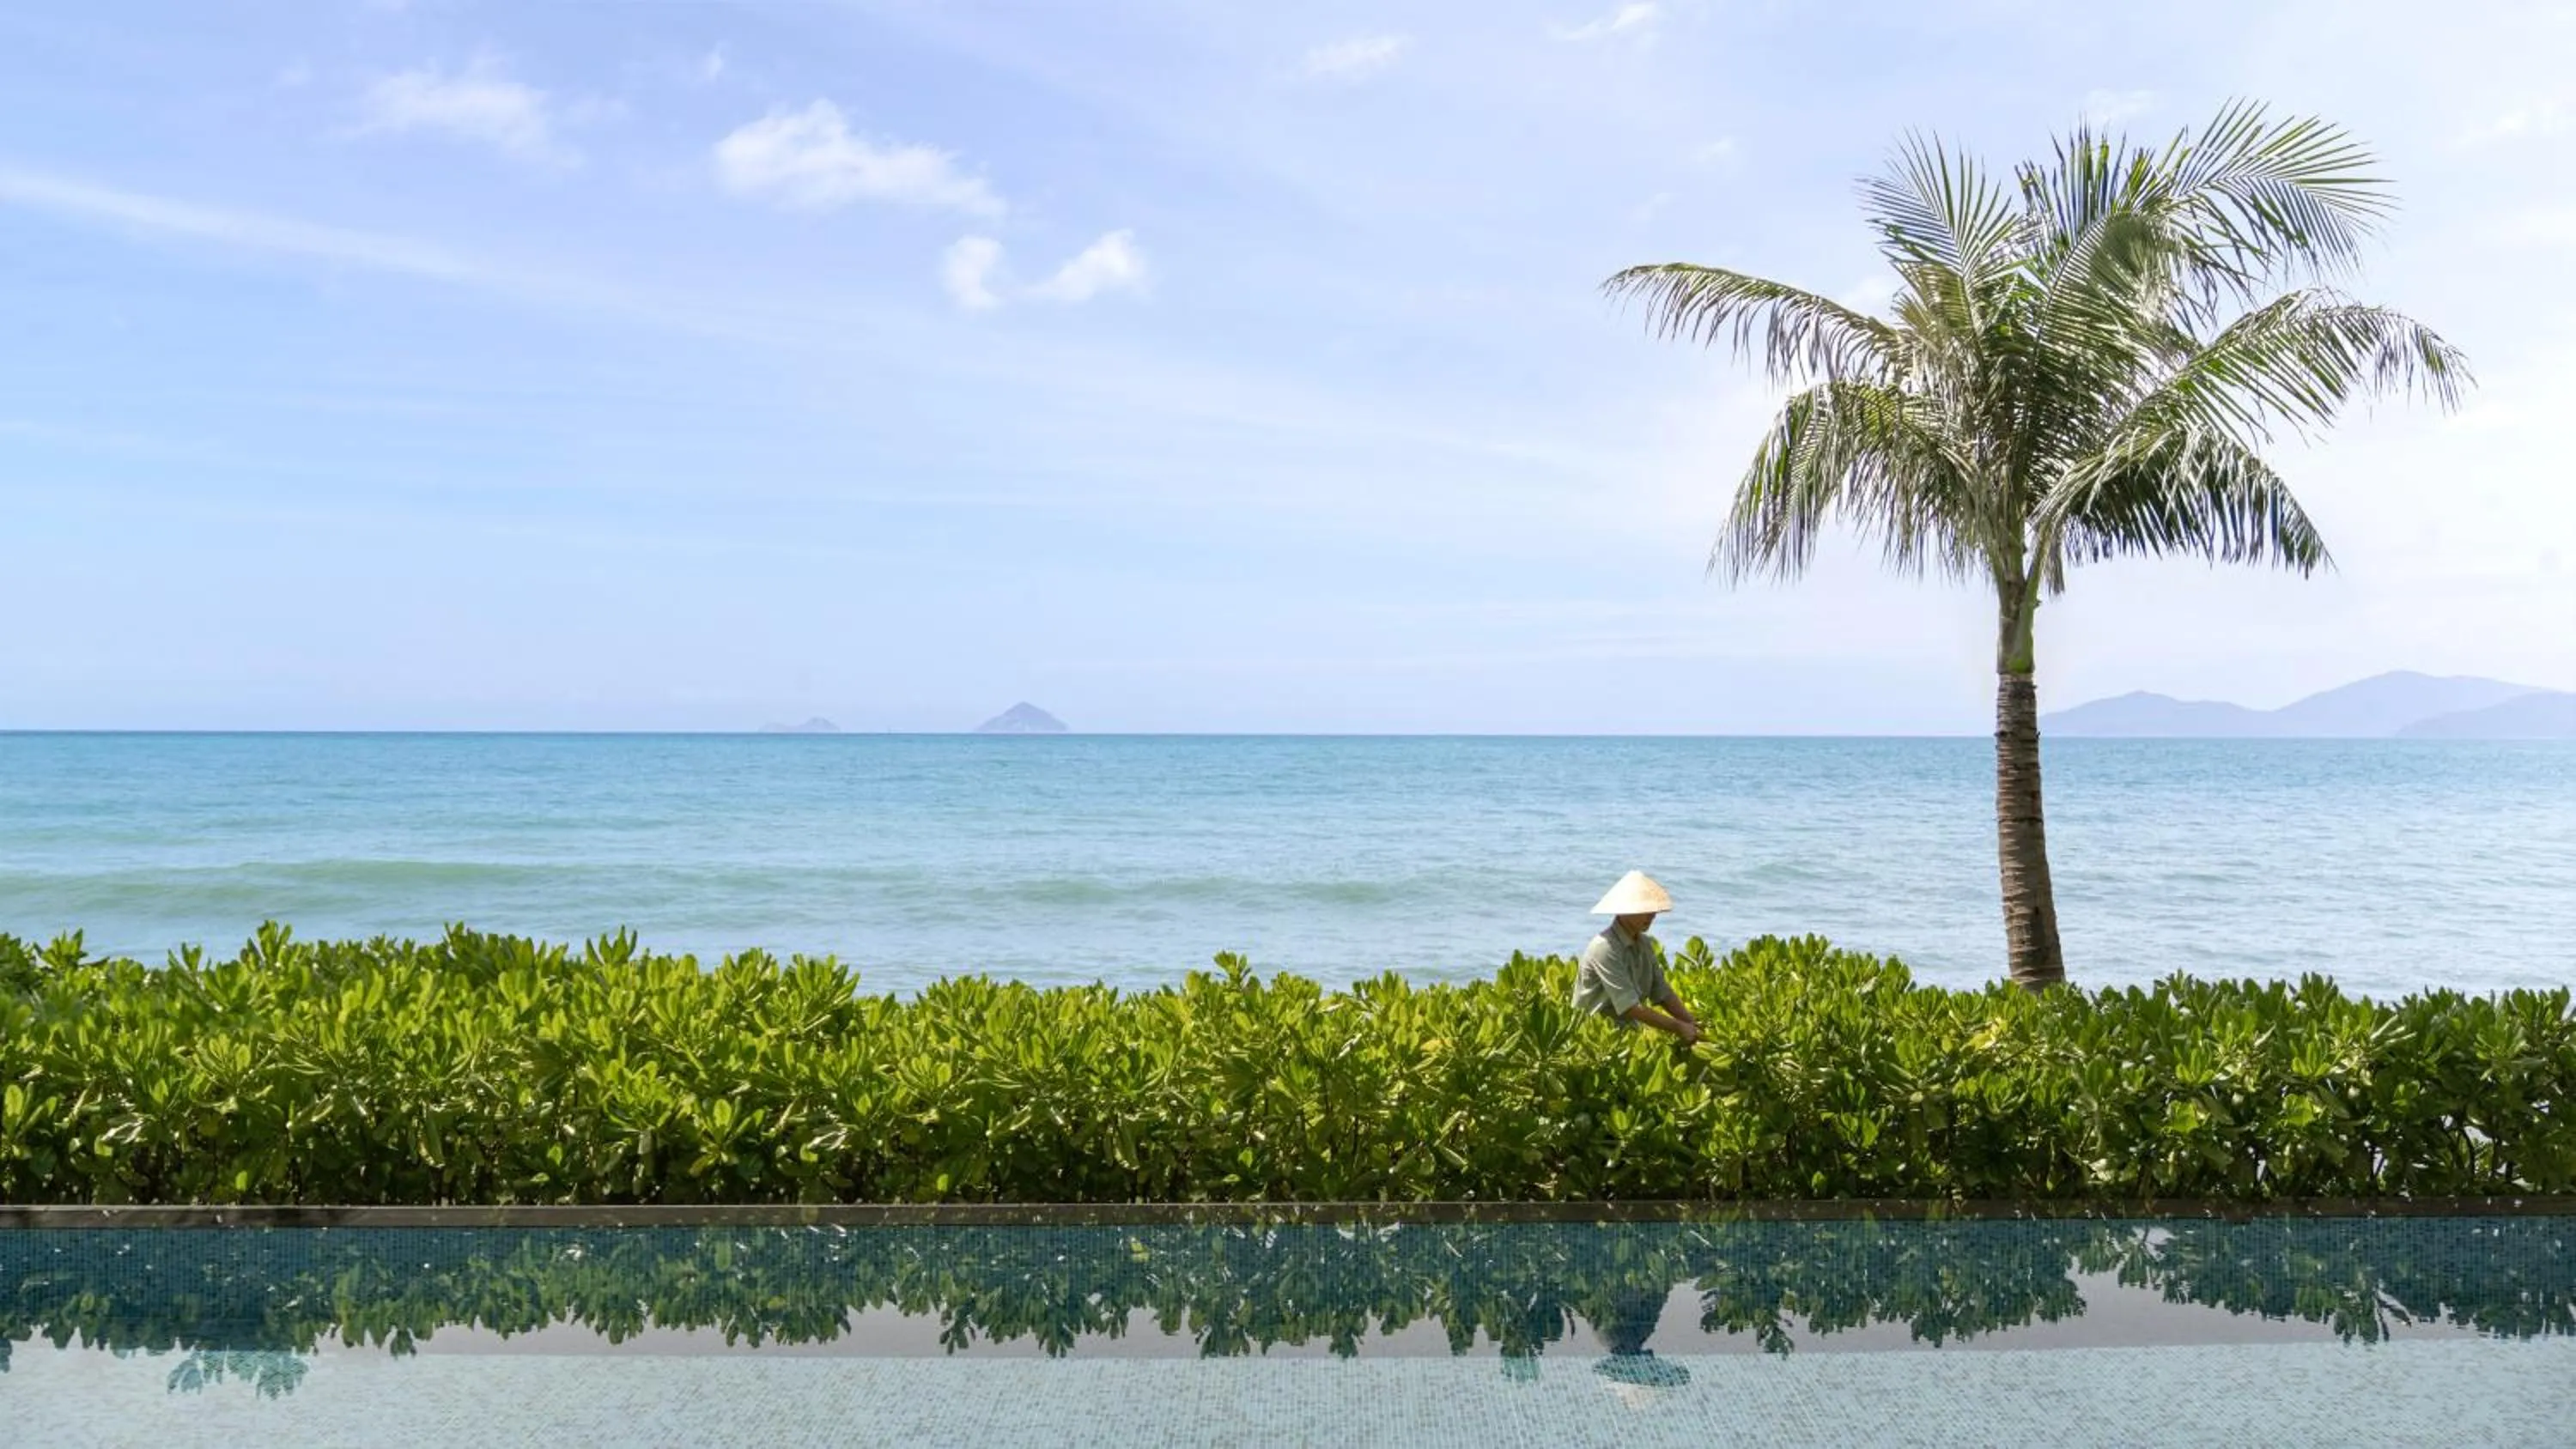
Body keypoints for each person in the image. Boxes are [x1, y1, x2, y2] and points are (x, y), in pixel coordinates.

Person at [1571, 870, 1701, 1044]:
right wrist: (1678, 1027)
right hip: (1593, 1037)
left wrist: (1691, 1022)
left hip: (1627, 1034)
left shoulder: (1645, 944)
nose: (1652, 915)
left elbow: (1662, 991)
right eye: (1644, 909)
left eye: (1653, 909)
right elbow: (1629, 1007)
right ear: (1623, 911)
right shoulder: (1605, 947)